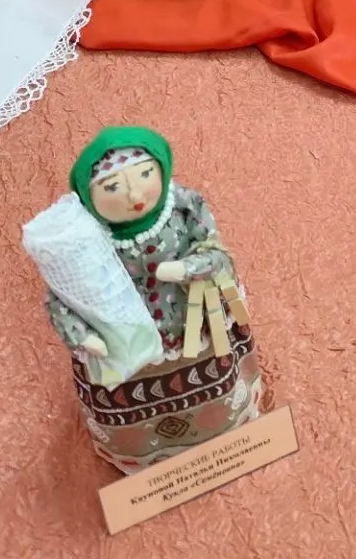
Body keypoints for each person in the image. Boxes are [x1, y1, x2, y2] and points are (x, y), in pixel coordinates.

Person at [26, 126, 266, 474]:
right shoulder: (81, 236)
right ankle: (141, 453)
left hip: (194, 319)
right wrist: (82, 335)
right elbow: (61, 295)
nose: (134, 194)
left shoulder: (184, 205)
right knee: (125, 393)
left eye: (144, 174)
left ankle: (225, 425)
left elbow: (217, 252)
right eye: (112, 187)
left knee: (213, 374)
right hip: (123, 339)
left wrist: (189, 267)